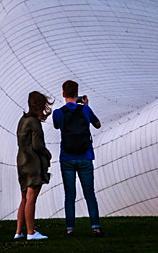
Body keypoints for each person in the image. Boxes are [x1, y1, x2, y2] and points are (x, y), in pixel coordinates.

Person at [52, 79, 104, 237]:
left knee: (70, 194)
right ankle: (96, 228)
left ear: (63, 94)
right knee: (89, 193)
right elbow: (98, 125)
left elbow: (56, 126)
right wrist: (86, 105)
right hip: (85, 156)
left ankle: (70, 229)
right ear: (77, 93)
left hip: (67, 157)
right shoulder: (85, 110)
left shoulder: (58, 112)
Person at [14, 91, 53, 241]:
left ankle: (19, 232)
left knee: (24, 197)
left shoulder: (22, 120)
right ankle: (31, 232)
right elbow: (37, 145)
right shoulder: (34, 122)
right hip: (33, 162)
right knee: (31, 198)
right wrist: (46, 153)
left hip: (21, 161)